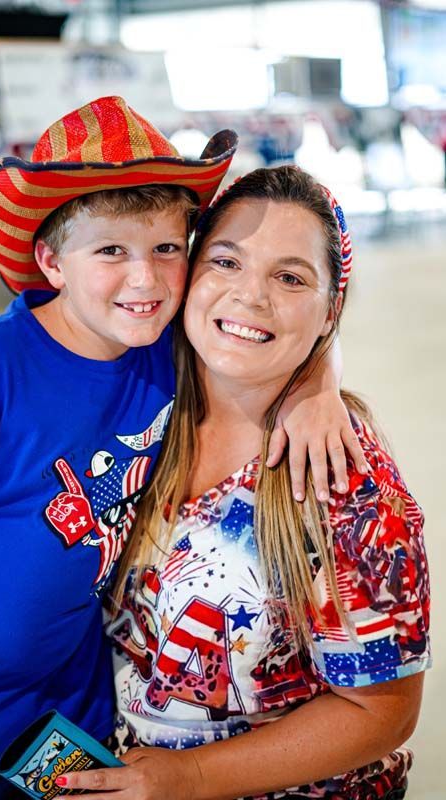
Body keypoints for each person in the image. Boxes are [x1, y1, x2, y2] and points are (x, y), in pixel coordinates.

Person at [0, 100, 364, 799]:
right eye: (110, 251)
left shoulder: (160, 350)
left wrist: (317, 383)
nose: (146, 280)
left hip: (75, 715)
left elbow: (264, 332)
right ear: (50, 261)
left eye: (165, 249)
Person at [58, 166, 431, 800]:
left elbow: (381, 712)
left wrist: (191, 776)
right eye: (226, 262)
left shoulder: (341, 479)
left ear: (329, 310)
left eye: (289, 278)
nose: (251, 297)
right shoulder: (138, 401)